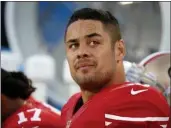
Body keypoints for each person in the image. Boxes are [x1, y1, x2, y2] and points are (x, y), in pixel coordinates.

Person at [61, 8, 170, 128]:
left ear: (119, 50)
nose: (81, 52)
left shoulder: (140, 102)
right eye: (73, 45)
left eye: (93, 42)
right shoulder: (70, 106)